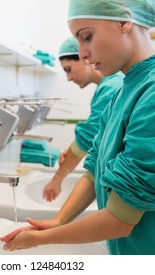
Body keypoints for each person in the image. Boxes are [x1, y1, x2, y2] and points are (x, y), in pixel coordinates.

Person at [1, 0, 155, 254]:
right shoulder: (125, 90)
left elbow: (120, 220)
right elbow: (95, 167)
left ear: (124, 22)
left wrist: (41, 239)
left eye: (86, 37)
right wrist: (58, 219)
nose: (82, 53)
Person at [43, 37, 123, 202]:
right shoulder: (109, 85)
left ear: (84, 58)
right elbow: (94, 137)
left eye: (68, 69)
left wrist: (56, 180)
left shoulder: (110, 88)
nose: (68, 78)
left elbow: (86, 139)